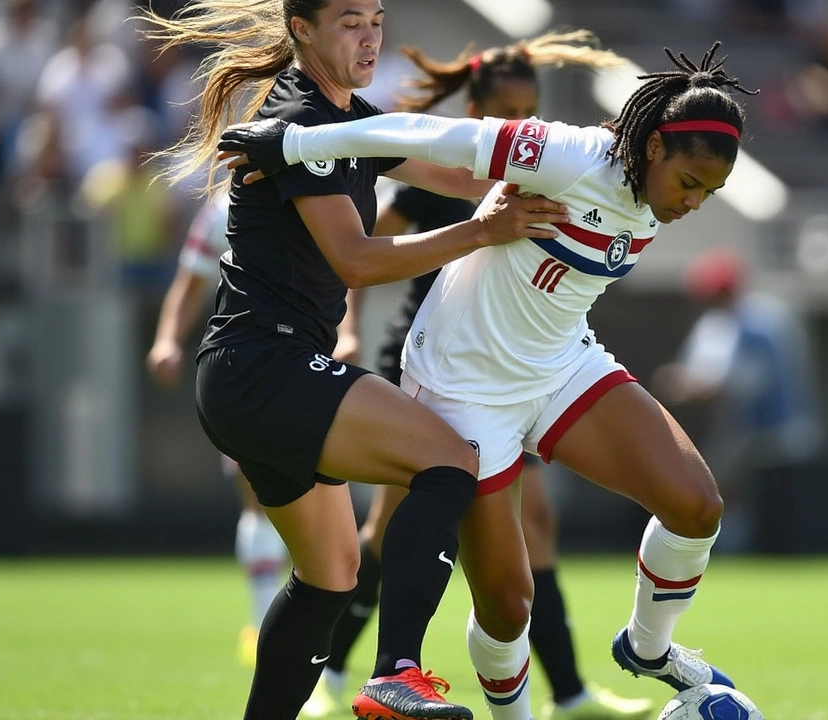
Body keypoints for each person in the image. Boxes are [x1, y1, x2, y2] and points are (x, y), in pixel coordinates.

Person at [220, 40, 757, 720]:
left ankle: (649, 649)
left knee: (696, 505)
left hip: (563, 363)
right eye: (690, 184)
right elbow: (432, 135)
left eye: (711, 193)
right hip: (464, 384)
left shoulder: (660, 191)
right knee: (507, 609)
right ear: (654, 150)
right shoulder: (571, 155)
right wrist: (296, 143)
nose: (694, 203)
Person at [140, 2, 569, 719]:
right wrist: (483, 232)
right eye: (349, 20)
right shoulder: (303, 121)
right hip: (265, 366)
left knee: (331, 577)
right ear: (302, 29)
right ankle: (396, 671)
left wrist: (571, 182)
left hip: (250, 376)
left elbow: (457, 175)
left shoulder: (349, 119)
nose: (370, 36)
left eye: (376, 18)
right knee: (450, 460)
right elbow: (358, 259)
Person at [307, 33, 653, 720]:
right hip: (433, 359)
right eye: (509, 109)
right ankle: (335, 674)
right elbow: (368, 252)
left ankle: (571, 693)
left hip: (516, 372)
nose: (523, 119)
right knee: (388, 529)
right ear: (479, 109)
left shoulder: (554, 172)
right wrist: (348, 326)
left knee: (537, 525)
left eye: (532, 107)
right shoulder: (450, 180)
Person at [145, 192, 290, 669]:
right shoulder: (223, 211)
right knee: (259, 499)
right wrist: (168, 339)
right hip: (245, 370)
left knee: (314, 500)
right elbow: (190, 283)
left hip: (312, 363)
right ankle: (263, 623)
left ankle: (306, 625)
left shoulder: (327, 190)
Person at [652, 247, 816, 553]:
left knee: (723, 483)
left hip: (770, 426)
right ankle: (740, 544)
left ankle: (740, 546)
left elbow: (747, 384)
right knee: (728, 484)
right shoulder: (724, 321)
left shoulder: (758, 322)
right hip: (746, 424)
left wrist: (688, 385)